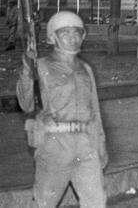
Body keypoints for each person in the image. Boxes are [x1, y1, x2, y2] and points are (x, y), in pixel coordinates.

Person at [17, 11, 108, 208]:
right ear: (52, 37)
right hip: (54, 147)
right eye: (65, 33)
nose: (72, 38)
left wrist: (100, 143)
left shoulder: (86, 69)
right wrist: (27, 72)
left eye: (77, 32)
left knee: (97, 202)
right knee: (44, 203)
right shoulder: (40, 67)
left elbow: (95, 111)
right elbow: (27, 104)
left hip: (86, 147)